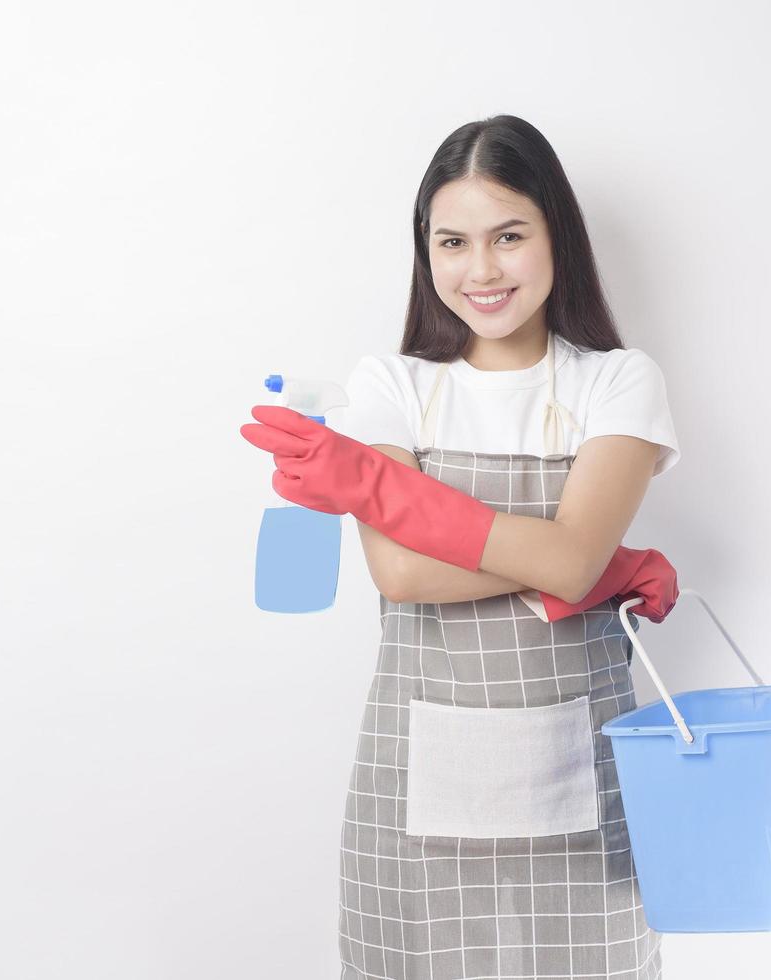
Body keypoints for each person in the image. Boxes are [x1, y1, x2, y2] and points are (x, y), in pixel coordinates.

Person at [241, 114, 680, 979]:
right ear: (426, 252)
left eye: (509, 235)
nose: (481, 269)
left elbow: (568, 562)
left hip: (582, 802)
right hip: (416, 801)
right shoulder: (392, 384)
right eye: (453, 242)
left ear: (558, 234)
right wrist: (591, 570)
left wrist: (376, 487)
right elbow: (400, 573)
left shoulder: (618, 381)